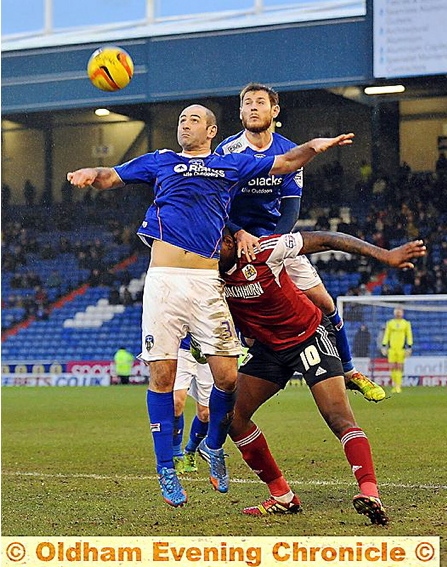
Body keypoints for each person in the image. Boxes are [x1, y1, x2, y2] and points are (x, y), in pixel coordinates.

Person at [67, 103, 354, 507]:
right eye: (181, 119)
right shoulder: (161, 161)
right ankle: (166, 468)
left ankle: (213, 445)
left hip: (206, 281)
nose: (185, 124)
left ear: (212, 130)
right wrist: (88, 174)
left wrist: (314, 146)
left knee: (228, 376)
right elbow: (110, 175)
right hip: (164, 281)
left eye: (193, 119)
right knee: (163, 378)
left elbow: (287, 161)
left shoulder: (230, 166)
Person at [218, 228, 425, 523]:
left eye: (213, 246)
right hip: (270, 349)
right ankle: (282, 496)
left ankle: (369, 492)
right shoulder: (206, 274)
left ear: (230, 242)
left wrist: (385, 255)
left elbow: (327, 239)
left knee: (338, 418)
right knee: (232, 418)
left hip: (308, 336)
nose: (207, 253)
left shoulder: (266, 250)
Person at [215, 82, 385, 403]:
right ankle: (235, 348)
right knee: (216, 299)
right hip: (231, 240)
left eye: (260, 102)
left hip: (275, 239)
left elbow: (291, 206)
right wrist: (238, 233)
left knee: (325, 303)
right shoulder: (227, 151)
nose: (253, 107)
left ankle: (349, 370)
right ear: (240, 112)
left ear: (274, 111)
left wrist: (272, 244)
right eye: (247, 103)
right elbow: (217, 205)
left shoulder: (291, 152)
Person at [173, 335, 213, 474]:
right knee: (176, 403)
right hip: (182, 350)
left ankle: (190, 451)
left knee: (205, 413)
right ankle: (176, 455)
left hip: (208, 351)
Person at [381, 308, 413, 393]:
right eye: (397, 312)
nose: (398, 314)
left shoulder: (406, 323)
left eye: (400, 312)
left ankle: (398, 386)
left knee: (399, 367)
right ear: (394, 313)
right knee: (392, 367)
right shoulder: (390, 323)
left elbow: (409, 335)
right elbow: (387, 335)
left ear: (402, 313)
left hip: (401, 349)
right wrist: (384, 345)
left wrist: (409, 346)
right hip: (392, 349)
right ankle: (394, 385)